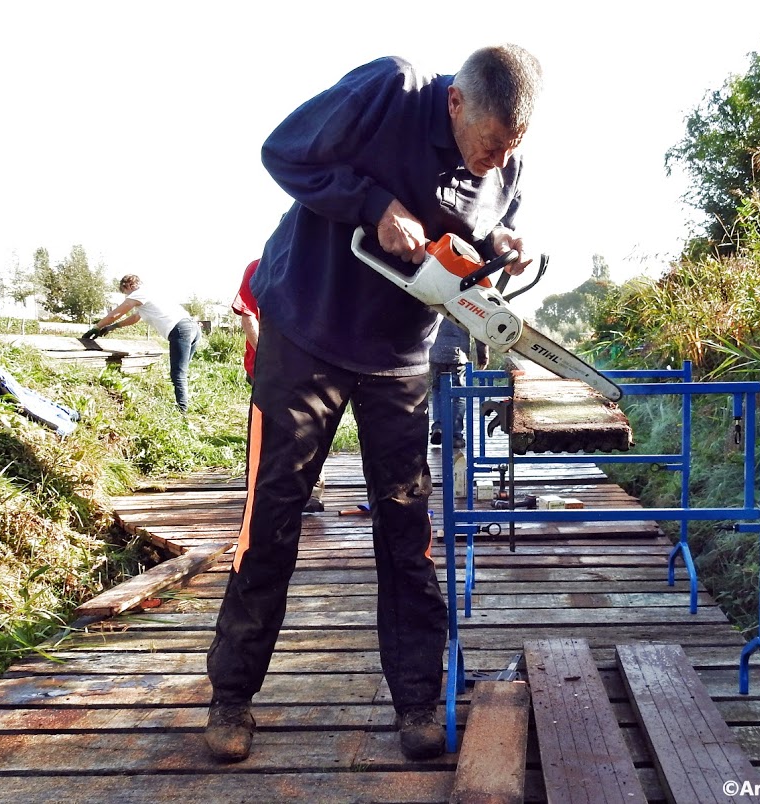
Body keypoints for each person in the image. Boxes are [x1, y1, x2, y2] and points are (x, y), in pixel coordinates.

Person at [203, 44, 542, 764]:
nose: (496, 162)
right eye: (487, 146)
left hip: (399, 353)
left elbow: (477, 250)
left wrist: (505, 246)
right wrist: (373, 205)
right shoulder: (391, 90)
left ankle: (417, 701)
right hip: (307, 330)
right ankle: (231, 695)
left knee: (406, 525)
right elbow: (282, 152)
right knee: (272, 517)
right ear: (455, 102)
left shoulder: (506, 164)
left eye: (508, 150)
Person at [233, 259, 326, 513]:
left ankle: (310, 491)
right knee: (266, 432)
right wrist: (271, 358)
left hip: (310, 368)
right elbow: (248, 316)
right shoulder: (259, 266)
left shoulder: (319, 266)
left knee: (310, 430)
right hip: (267, 369)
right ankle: (258, 488)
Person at [86, 275, 201, 412]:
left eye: (125, 292)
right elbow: (135, 317)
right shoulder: (151, 294)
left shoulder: (138, 294)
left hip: (180, 330)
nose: (126, 296)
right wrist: (112, 327)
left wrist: (97, 327)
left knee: (178, 373)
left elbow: (115, 314)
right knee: (182, 371)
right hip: (193, 328)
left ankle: (182, 412)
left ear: (129, 286)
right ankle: (185, 405)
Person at [429, 317, 488, 450]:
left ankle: (438, 426)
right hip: (458, 354)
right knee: (459, 393)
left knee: (437, 389)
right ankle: (455, 436)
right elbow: (478, 325)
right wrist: (483, 356)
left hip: (435, 351)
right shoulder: (466, 303)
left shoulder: (436, 302)